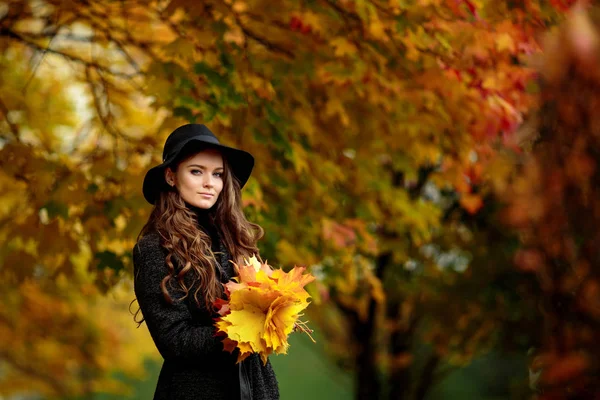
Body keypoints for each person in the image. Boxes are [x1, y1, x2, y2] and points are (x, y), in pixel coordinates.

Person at [131, 124, 279, 400]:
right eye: (196, 171)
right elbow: (175, 341)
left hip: (255, 388)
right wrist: (242, 327)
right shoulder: (154, 248)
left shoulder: (235, 239)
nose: (210, 182)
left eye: (218, 174)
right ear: (171, 177)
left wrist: (276, 310)